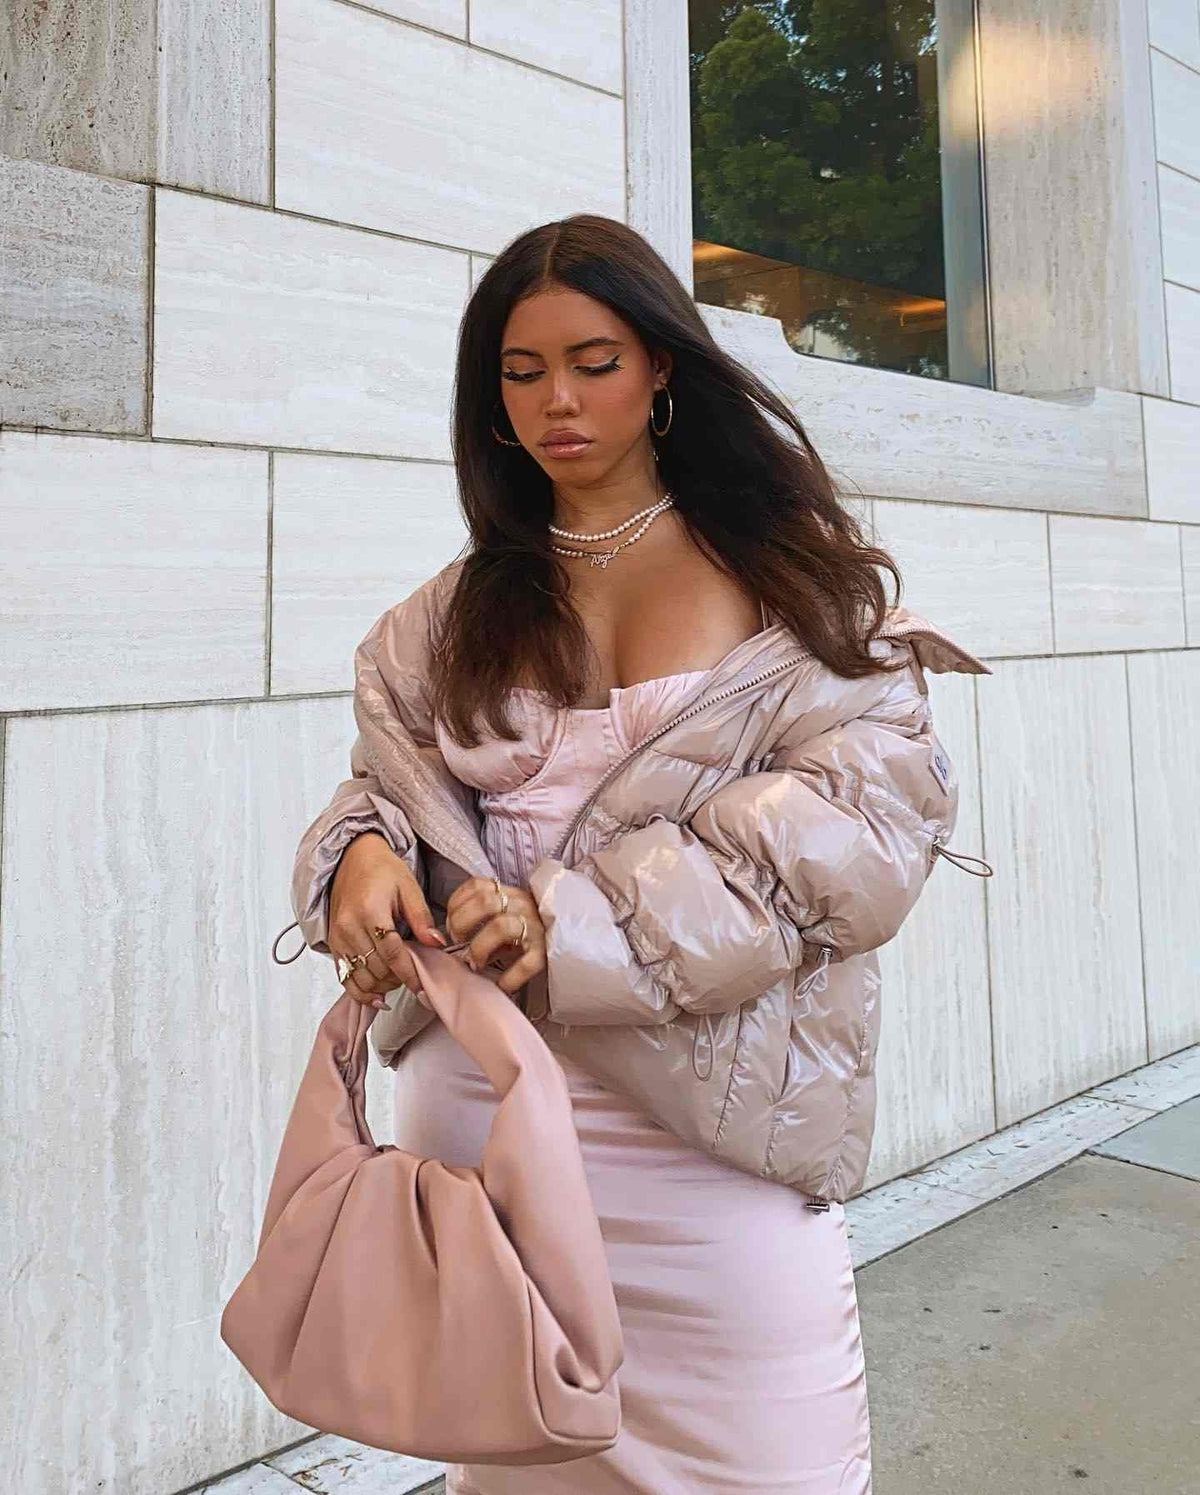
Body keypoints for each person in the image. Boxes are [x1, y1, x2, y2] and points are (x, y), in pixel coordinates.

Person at [278, 214, 993, 1494]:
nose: (557, 398)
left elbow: (857, 836)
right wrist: (353, 865)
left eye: (594, 360)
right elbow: (390, 793)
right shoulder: (451, 610)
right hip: (484, 1107)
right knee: (519, 1464)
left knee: (780, 1467)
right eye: (521, 368)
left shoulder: (790, 577)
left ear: (664, 366)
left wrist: (577, 923)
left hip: (714, 1124)